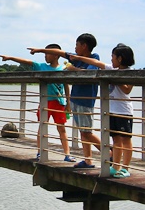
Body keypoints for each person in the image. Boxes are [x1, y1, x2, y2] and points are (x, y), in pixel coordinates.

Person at [36, 42, 136, 178]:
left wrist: (113, 76)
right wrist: (79, 59)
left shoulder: (129, 72)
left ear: (120, 58)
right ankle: (116, 166)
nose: (111, 59)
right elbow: (94, 62)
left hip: (124, 111)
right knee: (116, 140)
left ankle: (125, 168)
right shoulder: (110, 67)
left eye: (113, 56)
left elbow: (126, 89)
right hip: (111, 110)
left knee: (126, 140)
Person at [30, 33, 102, 169]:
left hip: (86, 100)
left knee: (87, 132)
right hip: (76, 98)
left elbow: (89, 75)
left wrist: (73, 69)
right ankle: (88, 161)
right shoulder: (75, 58)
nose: (75, 48)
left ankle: (108, 152)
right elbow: (59, 52)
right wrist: (39, 50)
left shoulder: (93, 58)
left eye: (77, 45)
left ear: (84, 46)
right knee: (83, 132)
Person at [0, 44, 74, 162]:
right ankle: (40, 152)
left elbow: (66, 86)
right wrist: (10, 58)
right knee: (42, 128)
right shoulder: (41, 66)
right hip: (45, 102)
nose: (45, 56)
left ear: (56, 55)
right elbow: (27, 61)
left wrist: (68, 103)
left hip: (59, 103)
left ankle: (67, 154)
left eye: (47, 53)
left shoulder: (63, 69)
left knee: (62, 129)